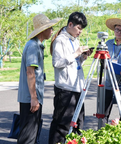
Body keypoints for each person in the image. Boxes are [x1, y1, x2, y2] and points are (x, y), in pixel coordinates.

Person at [49, 12, 93, 144]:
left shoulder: (75, 39)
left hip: (77, 87)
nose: (80, 32)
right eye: (79, 28)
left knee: (78, 123)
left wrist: (83, 56)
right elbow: (57, 63)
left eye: (82, 29)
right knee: (62, 125)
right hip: (65, 89)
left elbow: (75, 63)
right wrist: (75, 54)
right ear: (70, 24)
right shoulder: (60, 40)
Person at [17, 14, 61, 144]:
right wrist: (34, 98)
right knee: (28, 136)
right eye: (50, 28)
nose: (52, 31)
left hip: (32, 97)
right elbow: (30, 72)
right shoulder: (33, 46)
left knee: (32, 132)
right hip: (30, 98)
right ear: (43, 30)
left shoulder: (37, 45)